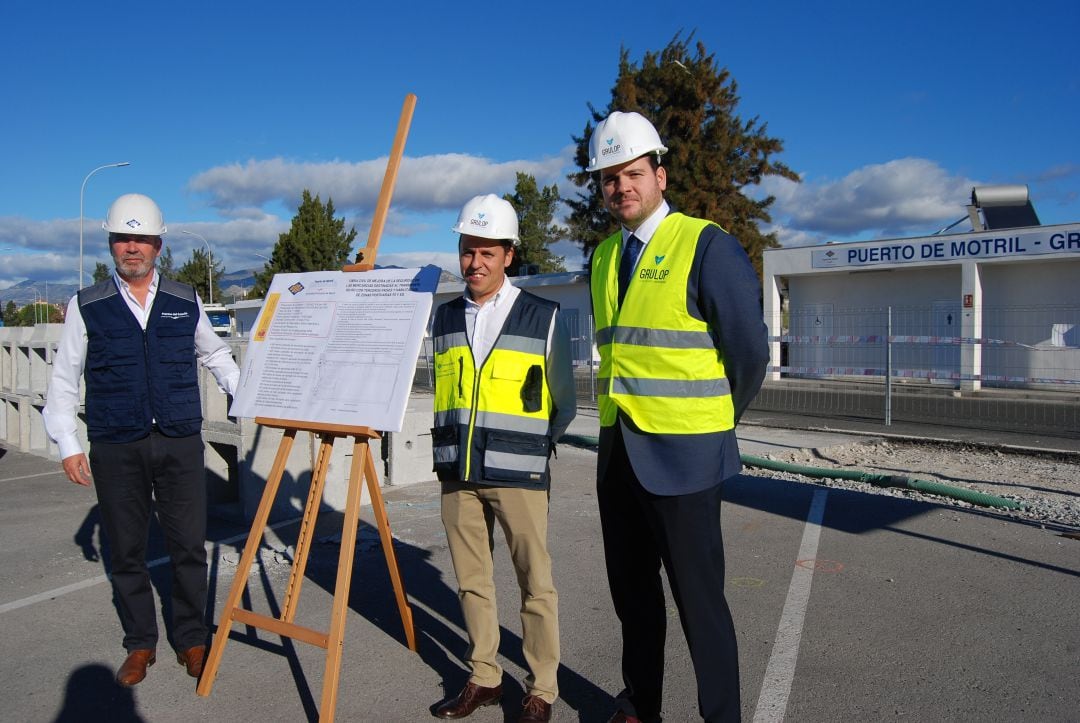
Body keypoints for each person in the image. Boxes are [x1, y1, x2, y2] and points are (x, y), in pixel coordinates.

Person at [586, 111, 770, 722]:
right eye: (609, 178)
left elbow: (748, 352)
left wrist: (718, 420)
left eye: (632, 173)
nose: (621, 188)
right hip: (618, 455)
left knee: (700, 606)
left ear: (660, 175)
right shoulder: (604, 257)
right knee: (633, 600)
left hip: (687, 460)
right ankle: (640, 704)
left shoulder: (706, 245)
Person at [43, 193, 240, 687]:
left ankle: (192, 637)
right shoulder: (87, 305)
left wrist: (251, 399)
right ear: (112, 243)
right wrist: (68, 443)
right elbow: (65, 380)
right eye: (123, 239)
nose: (133, 247)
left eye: (142, 239)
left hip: (177, 441)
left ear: (158, 244)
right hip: (115, 443)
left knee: (188, 547)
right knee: (126, 549)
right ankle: (140, 643)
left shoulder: (183, 298)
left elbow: (215, 356)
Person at [429, 194, 576, 722]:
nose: (475, 263)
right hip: (458, 475)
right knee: (472, 581)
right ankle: (484, 676)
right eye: (468, 250)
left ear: (509, 255)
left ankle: (542, 690)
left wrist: (529, 447)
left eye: (487, 252)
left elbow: (565, 403)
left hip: (518, 475)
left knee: (535, 583)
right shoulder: (443, 318)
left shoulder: (543, 316)